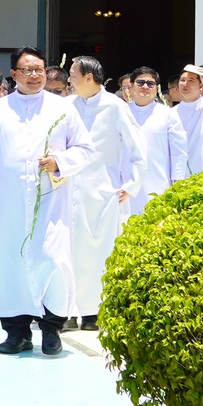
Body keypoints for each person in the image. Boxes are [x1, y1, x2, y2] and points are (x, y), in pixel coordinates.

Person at [0, 47, 95, 357]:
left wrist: (59, 161)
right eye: (27, 70)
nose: (34, 76)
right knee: (10, 264)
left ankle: (51, 329)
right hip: (7, 205)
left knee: (52, 260)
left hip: (50, 205)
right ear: (14, 74)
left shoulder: (63, 108)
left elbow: (85, 149)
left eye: (39, 70)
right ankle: (17, 331)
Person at [63, 56, 139, 328]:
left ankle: (94, 312)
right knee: (67, 250)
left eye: (72, 74)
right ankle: (66, 310)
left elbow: (137, 149)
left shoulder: (116, 107)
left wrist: (132, 185)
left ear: (88, 77)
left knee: (97, 253)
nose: (68, 79)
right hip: (68, 189)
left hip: (103, 192)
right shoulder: (67, 106)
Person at [120, 67, 188, 214]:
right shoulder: (120, 113)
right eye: (140, 82)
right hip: (124, 185)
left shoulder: (167, 114)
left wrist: (177, 183)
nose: (145, 86)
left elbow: (179, 152)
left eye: (150, 84)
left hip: (157, 183)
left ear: (156, 88)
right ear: (131, 86)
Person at [170, 66, 203, 177]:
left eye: (191, 81)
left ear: (201, 86)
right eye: (182, 80)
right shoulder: (171, 113)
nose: (185, 84)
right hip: (180, 175)